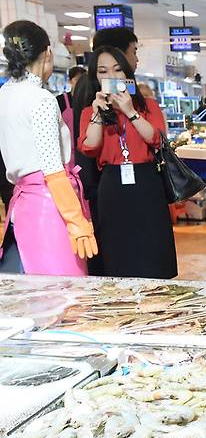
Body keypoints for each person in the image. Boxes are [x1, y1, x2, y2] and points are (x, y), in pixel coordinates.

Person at [0, 20, 97, 275]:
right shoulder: (40, 99)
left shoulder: (5, 94)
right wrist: (77, 221)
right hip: (52, 205)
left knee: (37, 291)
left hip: (22, 206)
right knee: (66, 295)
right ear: (47, 53)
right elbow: (53, 169)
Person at [77, 46, 177, 279]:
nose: (111, 77)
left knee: (152, 248)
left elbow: (157, 139)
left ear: (128, 73)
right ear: (96, 77)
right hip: (112, 186)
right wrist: (98, 115)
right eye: (103, 71)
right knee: (117, 250)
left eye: (117, 69)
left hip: (147, 182)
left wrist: (130, 112)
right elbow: (89, 147)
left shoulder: (148, 107)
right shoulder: (89, 112)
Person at [73, 27, 139, 275]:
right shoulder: (97, 93)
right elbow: (89, 142)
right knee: (111, 247)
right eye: (133, 52)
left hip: (95, 181)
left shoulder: (90, 87)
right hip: (101, 181)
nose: (136, 59)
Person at [56, 66, 85, 169]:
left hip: (83, 153)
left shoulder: (87, 101)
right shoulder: (60, 101)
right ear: (70, 81)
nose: (80, 84)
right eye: (77, 80)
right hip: (66, 153)